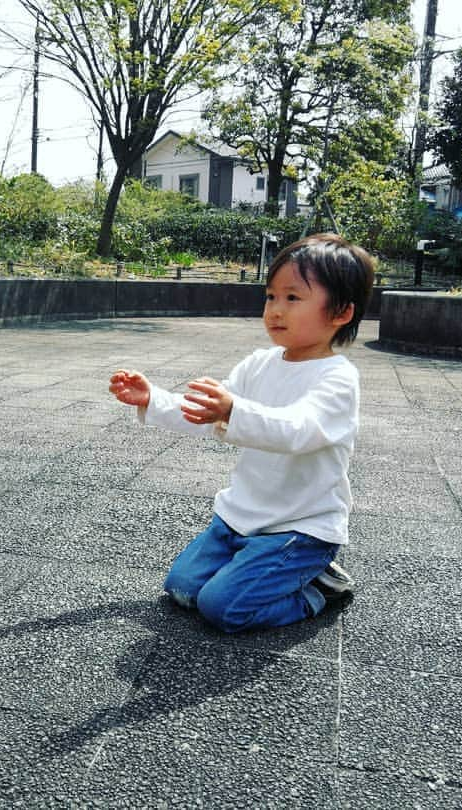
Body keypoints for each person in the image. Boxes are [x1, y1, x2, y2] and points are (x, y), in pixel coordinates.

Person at [108, 233, 374, 633]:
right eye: (270, 297)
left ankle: (317, 587)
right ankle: (262, 570)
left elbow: (297, 430)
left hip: (299, 529)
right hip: (240, 518)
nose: (275, 310)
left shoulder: (337, 379)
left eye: (293, 298)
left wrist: (234, 409)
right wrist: (153, 399)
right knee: (181, 589)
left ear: (340, 313)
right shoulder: (259, 363)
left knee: (222, 609)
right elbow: (207, 414)